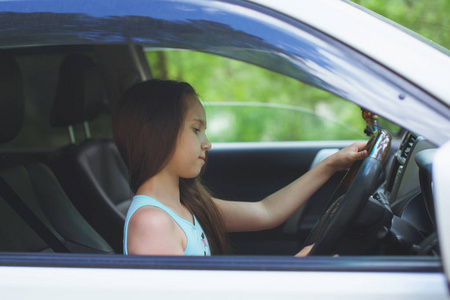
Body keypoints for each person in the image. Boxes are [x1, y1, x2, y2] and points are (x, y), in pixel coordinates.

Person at [113, 79, 367, 256]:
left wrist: (330, 165)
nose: (207, 144)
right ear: (157, 133)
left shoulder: (186, 206)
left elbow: (265, 212)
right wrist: (295, 275)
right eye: (196, 129)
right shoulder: (153, 222)